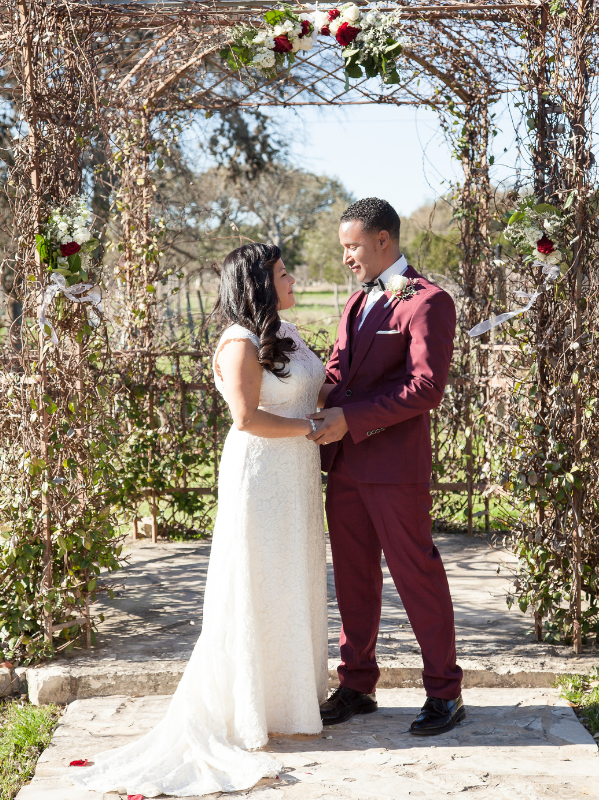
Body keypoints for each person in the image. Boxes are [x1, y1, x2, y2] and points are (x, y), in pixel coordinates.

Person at [70, 243, 329, 797]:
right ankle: (248, 708)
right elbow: (248, 418)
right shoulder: (239, 342)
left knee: (291, 580)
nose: (292, 277)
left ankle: (288, 701)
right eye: (283, 272)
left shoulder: (286, 334)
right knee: (257, 581)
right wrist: (311, 428)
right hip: (262, 477)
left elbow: (319, 386)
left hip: (297, 478)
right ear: (259, 282)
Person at [307, 197, 465, 736]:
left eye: (353, 246)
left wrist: (349, 416)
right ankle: (357, 685)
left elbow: (426, 387)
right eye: (343, 247)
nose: (347, 257)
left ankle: (446, 692)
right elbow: (338, 366)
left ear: (383, 240)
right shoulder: (356, 303)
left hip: (394, 466)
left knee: (416, 574)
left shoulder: (429, 302)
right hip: (346, 465)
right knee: (352, 577)